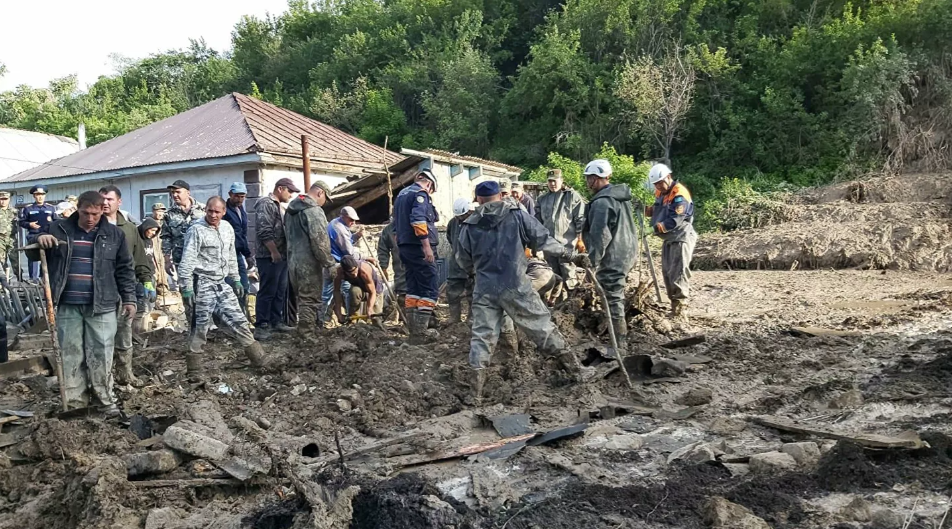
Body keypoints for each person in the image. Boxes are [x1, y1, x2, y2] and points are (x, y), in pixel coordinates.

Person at [456, 181, 586, 398]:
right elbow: (544, 239)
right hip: (515, 283)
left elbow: (463, 260)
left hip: (485, 288)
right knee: (541, 326)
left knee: (482, 337)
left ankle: (475, 393)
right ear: (499, 195)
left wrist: (479, 272)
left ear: (478, 199)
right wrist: (572, 256)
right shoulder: (516, 215)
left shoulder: (469, 225)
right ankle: (577, 371)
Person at [30, 191, 137, 416]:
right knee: (70, 354)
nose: (90, 218)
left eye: (95, 214)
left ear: (102, 211)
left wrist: (129, 299)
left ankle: (104, 400)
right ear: (78, 208)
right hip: (67, 303)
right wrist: (39, 240)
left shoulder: (114, 235)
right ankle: (76, 403)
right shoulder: (59, 229)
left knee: (102, 353)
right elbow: (32, 250)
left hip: (103, 305)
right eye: (86, 213)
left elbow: (125, 269)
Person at [178, 197, 270, 381]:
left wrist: (236, 280)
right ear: (206, 210)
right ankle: (194, 370)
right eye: (210, 211)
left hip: (221, 283)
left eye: (217, 212)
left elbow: (230, 256)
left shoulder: (227, 229)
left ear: (224, 212)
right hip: (202, 283)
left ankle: (259, 359)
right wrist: (186, 287)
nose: (213, 215)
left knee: (239, 319)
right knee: (201, 326)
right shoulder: (196, 230)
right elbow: (187, 260)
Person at [581, 159, 638, 351]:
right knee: (616, 293)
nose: (587, 183)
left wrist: (593, 261)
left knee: (612, 296)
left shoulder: (602, 203)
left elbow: (600, 234)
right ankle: (618, 338)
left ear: (595, 179)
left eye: (589, 178)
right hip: (627, 250)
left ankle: (620, 345)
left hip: (614, 254)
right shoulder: (620, 197)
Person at [100, 186, 153, 387]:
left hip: (123, 289)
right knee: (101, 336)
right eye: (102, 199)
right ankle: (104, 378)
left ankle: (125, 373)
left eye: (109, 199)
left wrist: (146, 279)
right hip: (99, 290)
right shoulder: (92, 225)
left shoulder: (129, 228)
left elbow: (139, 256)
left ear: (118, 202)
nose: (105, 203)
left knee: (123, 331)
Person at [392, 170, 440, 344]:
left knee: (413, 289)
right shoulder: (420, 194)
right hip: (419, 247)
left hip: (405, 248)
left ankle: (414, 334)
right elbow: (418, 220)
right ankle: (420, 335)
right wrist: (426, 247)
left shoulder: (401, 196)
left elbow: (395, 225)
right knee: (429, 288)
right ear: (429, 184)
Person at [284, 181, 336, 340]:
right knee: (310, 299)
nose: (324, 203)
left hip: (293, 261)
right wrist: (329, 263)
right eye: (325, 199)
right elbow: (319, 241)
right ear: (320, 193)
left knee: (302, 297)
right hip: (308, 262)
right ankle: (307, 335)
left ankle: (307, 330)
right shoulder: (313, 211)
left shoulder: (291, 209)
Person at [647, 163, 698, 321]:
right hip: (669, 238)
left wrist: (655, 228)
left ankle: (680, 309)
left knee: (678, 272)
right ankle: (673, 305)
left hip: (681, 236)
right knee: (667, 272)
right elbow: (660, 209)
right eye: (656, 184)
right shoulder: (660, 193)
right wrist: (648, 211)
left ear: (668, 177)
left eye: (660, 183)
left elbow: (675, 219)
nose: (658, 187)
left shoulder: (679, 194)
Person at [254, 178, 298, 340]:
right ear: (280, 189)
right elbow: (264, 230)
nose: (291, 195)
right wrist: (273, 251)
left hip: (281, 256)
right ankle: (262, 325)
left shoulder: (278, 206)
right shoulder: (266, 204)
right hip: (268, 256)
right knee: (268, 290)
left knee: (280, 290)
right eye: (290, 191)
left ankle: (276, 320)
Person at [535, 169, 586, 291]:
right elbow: (537, 222)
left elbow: (580, 218)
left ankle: (572, 304)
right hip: (549, 246)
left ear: (561, 181)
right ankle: (557, 305)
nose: (552, 184)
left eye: (555, 181)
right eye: (550, 181)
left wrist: (580, 239)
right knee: (553, 277)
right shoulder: (542, 199)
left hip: (567, 245)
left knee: (569, 276)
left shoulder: (572, 196)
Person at [322, 205, 366, 324]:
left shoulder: (336, 223)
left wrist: (356, 236)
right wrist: (364, 257)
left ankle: (325, 319)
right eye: (351, 220)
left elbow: (347, 241)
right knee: (342, 291)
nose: (353, 222)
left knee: (328, 293)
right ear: (343, 217)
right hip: (338, 265)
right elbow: (349, 252)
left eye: (354, 220)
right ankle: (348, 319)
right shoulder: (339, 229)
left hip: (331, 263)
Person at [161, 180, 205, 270]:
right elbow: (166, 238)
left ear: (188, 193)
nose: (174, 195)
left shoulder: (203, 210)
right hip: (181, 260)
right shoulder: (169, 214)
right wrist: (167, 261)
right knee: (184, 284)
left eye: (178, 192)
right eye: (173, 192)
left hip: (202, 259)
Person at [224, 183, 253, 316]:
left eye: (242, 197)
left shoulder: (240, 210)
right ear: (230, 194)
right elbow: (233, 235)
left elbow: (242, 234)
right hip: (227, 255)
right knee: (232, 286)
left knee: (244, 286)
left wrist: (247, 254)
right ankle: (233, 317)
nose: (240, 199)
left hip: (239, 253)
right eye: (237, 196)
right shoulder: (224, 211)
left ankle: (243, 315)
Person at [446, 198, 475, 324]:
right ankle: (454, 317)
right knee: (452, 292)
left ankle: (472, 318)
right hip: (456, 264)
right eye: (458, 217)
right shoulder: (452, 223)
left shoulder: (476, 221)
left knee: (473, 293)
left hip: (472, 264)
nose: (460, 219)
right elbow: (450, 238)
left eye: (462, 216)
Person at [333, 255, 384, 327]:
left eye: (355, 270)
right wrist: (338, 313)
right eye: (351, 272)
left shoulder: (364, 270)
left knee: (375, 318)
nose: (355, 274)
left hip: (375, 290)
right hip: (359, 289)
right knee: (354, 291)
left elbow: (372, 292)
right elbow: (336, 292)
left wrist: (370, 309)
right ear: (344, 271)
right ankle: (354, 322)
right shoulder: (339, 273)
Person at [20, 185, 57, 280]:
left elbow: (56, 221)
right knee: (33, 258)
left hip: (47, 236)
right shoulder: (28, 209)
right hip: (33, 236)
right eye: (37, 195)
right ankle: (33, 279)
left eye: (42, 194)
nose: (40, 197)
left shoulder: (51, 208)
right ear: (34, 196)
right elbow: (21, 222)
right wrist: (29, 224)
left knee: (48, 257)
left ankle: (44, 278)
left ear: (45, 196)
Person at [136, 218, 162, 335]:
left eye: (155, 231)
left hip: (150, 274)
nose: (152, 233)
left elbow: (151, 258)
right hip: (140, 276)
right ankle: (139, 330)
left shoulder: (149, 240)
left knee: (151, 301)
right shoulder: (137, 239)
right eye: (151, 230)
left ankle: (148, 329)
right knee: (142, 304)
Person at [376, 218, 406, 319]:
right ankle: (404, 318)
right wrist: (383, 268)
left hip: (418, 265)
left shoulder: (416, 224)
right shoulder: (389, 230)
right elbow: (383, 249)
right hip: (401, 268)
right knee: (403, 292)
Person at [0, 192, 19, 284]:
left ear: (9, 199)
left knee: (16, 261)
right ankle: (4, 282)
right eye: (1, 199)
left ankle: (20, 280)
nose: (3, 202)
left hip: (12, 239)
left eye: (5, 199)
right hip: (0, 240)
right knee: (1, 262)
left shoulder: (14, 211)